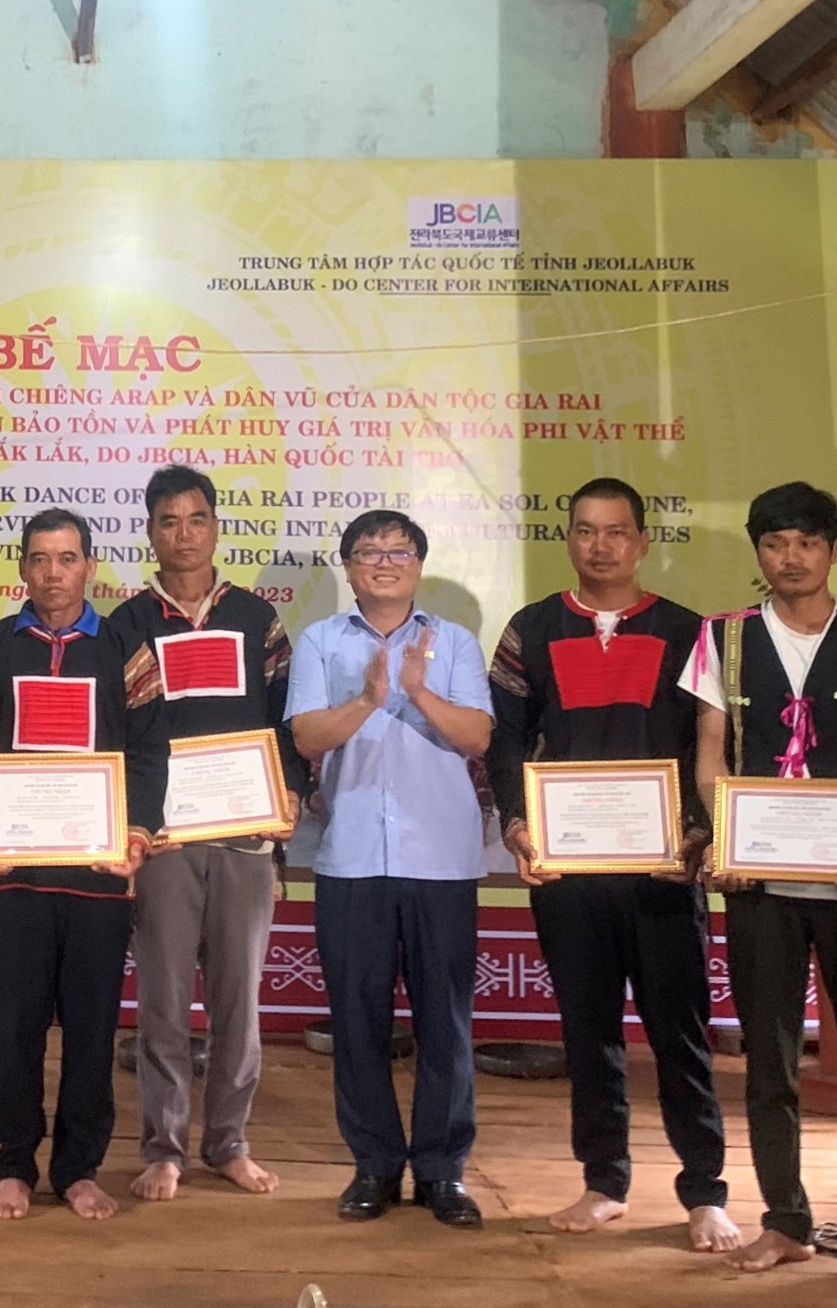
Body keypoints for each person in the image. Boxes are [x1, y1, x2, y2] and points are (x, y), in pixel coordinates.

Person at [679, 481, 837, 1301]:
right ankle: (786, 1219)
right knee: (771, 1063)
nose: (791, 557)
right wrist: (725, 836)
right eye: (775, 543)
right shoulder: (722, 637)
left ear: (830, 550)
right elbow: (710, 754)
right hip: (760, 886)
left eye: (806, 543)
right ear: (759, 553)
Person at [485, 478, 739, 1252]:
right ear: (568, 537)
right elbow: (504, 742)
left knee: (680, 1032)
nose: (601, 544)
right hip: (569, 874)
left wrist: (699, 833)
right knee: (587, 1030)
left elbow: (710, 749)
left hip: (664, 873)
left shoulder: (688, 631)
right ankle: (604, 1180)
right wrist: (520, 823)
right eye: (587, 530)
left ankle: (704, 1190)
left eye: (617, 531)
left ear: (642, 541)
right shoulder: (530, 630)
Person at [0, 508, 165, 1223]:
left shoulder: (128, 651)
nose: (52, 573)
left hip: (98, 876)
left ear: (89, 567)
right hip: (15, 875)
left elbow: (147, 751)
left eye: (66, 558)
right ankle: (14, 1164)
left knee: (93, 1027)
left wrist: (135, 829)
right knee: (12, 1027)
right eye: (39, 559)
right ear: (21, 568)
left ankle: (77, 1169)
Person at [286, 509, 492, 1229]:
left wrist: (419, 691)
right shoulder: (318, 640)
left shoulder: (454, 641)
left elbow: (477, 735)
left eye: (397, 549)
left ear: (418, 563)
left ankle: (442, 1171)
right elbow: (309, 735)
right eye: (367, 551)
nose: (382, 561)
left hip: (440, 856)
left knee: (445, 1021)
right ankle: (373, 1164)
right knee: (358, 1019)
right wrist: (371, 698)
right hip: (350, 858)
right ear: (347, 567)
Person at [107, 465, 306, 1202]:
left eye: (196, 519)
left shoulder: (258, 618)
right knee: (162, 1001)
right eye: (168, 521)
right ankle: (163, 1148)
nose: (183, 534)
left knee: (237, 1005)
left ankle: (228, 1141)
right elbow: (120, 735)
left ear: (217, 526)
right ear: (150, 532)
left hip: (246, 838)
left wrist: (289, 795)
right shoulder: (127, 623)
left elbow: (286, 723)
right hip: (164, 843)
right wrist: (130, 827)